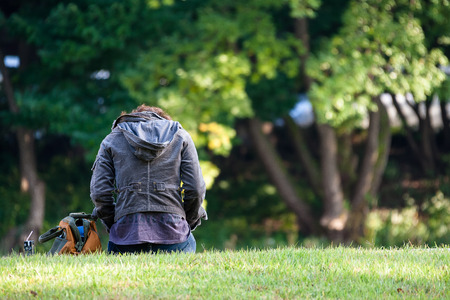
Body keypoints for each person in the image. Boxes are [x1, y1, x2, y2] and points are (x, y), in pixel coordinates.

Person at [90, 105, 207, 254]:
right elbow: (196, 189)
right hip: (174, 237)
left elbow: (99, 192)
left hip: (125, 239)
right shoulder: (181, 136)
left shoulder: (112, 139)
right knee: (188, 242)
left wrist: (114, 223)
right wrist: (187, 221)